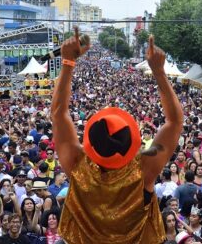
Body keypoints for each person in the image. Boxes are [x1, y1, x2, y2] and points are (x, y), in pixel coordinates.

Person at [52, 29, 183, 243]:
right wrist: (159, 71)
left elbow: (58, 114)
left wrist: (68, 62)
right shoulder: (143, 169)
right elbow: (175, 122)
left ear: (90, 143)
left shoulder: (77, 164)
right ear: (132, 142)